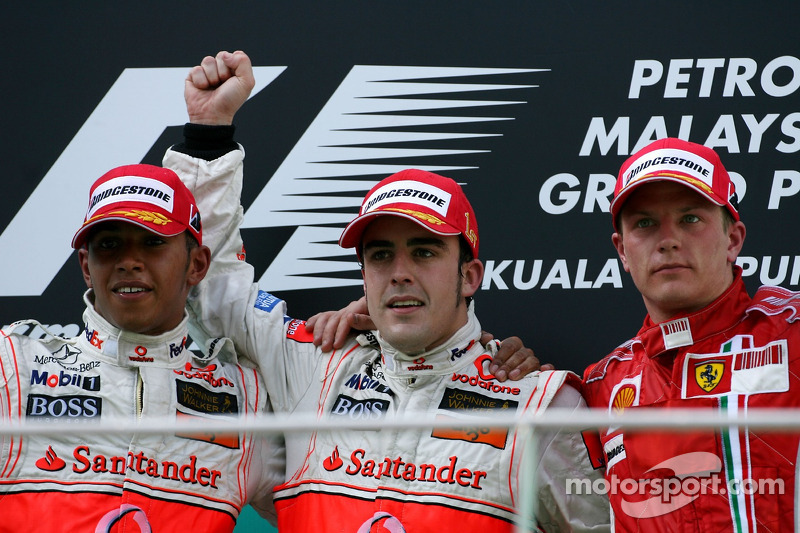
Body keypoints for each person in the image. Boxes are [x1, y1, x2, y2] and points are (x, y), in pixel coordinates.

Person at [167, 49, 608, 533]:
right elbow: (214, 287)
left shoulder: (541, 405)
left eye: (423, 252)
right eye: (380, 256)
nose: (399, 272)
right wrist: (208, 134)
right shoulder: (314, 364)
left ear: (469, 276)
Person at [0, 163, 283, 531]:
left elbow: (342, 496)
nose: (129, 262)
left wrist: (379, 335)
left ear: (197, 264)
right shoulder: (14, 366)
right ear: (87, 266)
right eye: (109, 245)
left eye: (152, 243)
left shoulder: (244, 398)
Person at [581, 137, 800, 531]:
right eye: (645, 223)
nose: (668, 240)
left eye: (690, 218)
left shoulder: (792, 333)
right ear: (623, 251)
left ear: (733, 239)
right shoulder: (602, 383)